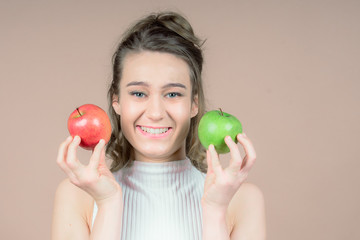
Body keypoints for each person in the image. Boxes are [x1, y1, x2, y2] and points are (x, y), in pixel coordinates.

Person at [51, 11, 266, 240]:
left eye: (173, 93)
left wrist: (215, 210)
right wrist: (107, 203)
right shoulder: (76, 195)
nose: (155, 113)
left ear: (194, 104)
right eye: (138, 93)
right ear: (117, 101)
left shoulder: (241, 199)